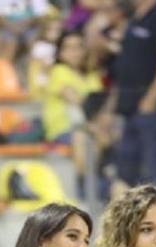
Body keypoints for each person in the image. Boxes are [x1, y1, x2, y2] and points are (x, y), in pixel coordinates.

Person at [112, 0, 156, 189]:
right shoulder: (135, 19)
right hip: (131, 108)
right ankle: (124, 219)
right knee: (125, 176)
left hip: (154, 110)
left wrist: (152, 99)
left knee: (155, 177)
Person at [43, 31, 103, 190]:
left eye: (78, 47)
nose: (74, 52)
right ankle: (88, 188)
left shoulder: (92, 75)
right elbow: (77, 99)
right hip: (64, 130)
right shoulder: (58, 71)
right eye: (68, 48)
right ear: (60, 52)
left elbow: (100, 105)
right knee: (82, 136)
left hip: (93, 126)